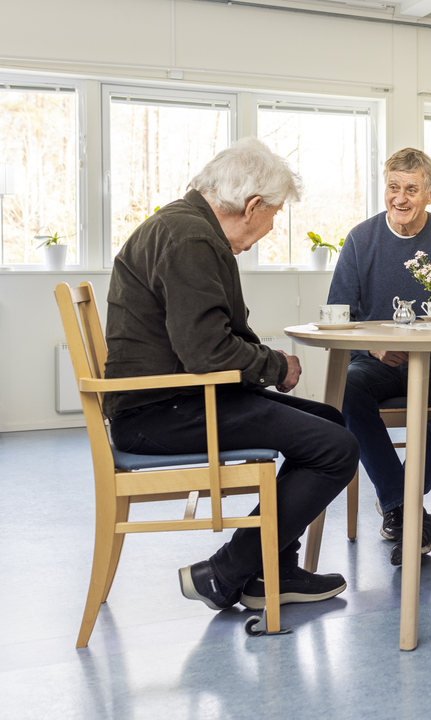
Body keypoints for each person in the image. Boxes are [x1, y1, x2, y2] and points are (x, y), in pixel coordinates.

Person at [104, 137, 359, 613]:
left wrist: (265, 361)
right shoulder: (190, 238)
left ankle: (272, 573)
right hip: (163, 410)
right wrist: (277, 365)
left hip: (174, 399)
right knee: (335, 448)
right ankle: (224, 574)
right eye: (275, 215)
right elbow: (209, 353)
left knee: (330, 421)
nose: (270, 226)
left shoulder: (183, 225)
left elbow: (208, 339)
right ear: (253, 205)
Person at [329, 148, 431, 566]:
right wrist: (373, 346)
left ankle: (399, 504)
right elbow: (338, 313)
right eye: (393, 187)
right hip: (374, 362)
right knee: (347, 392)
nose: (400, 197)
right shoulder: (361, 239)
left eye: (411, 189)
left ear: (429, 193)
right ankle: (404, 508)